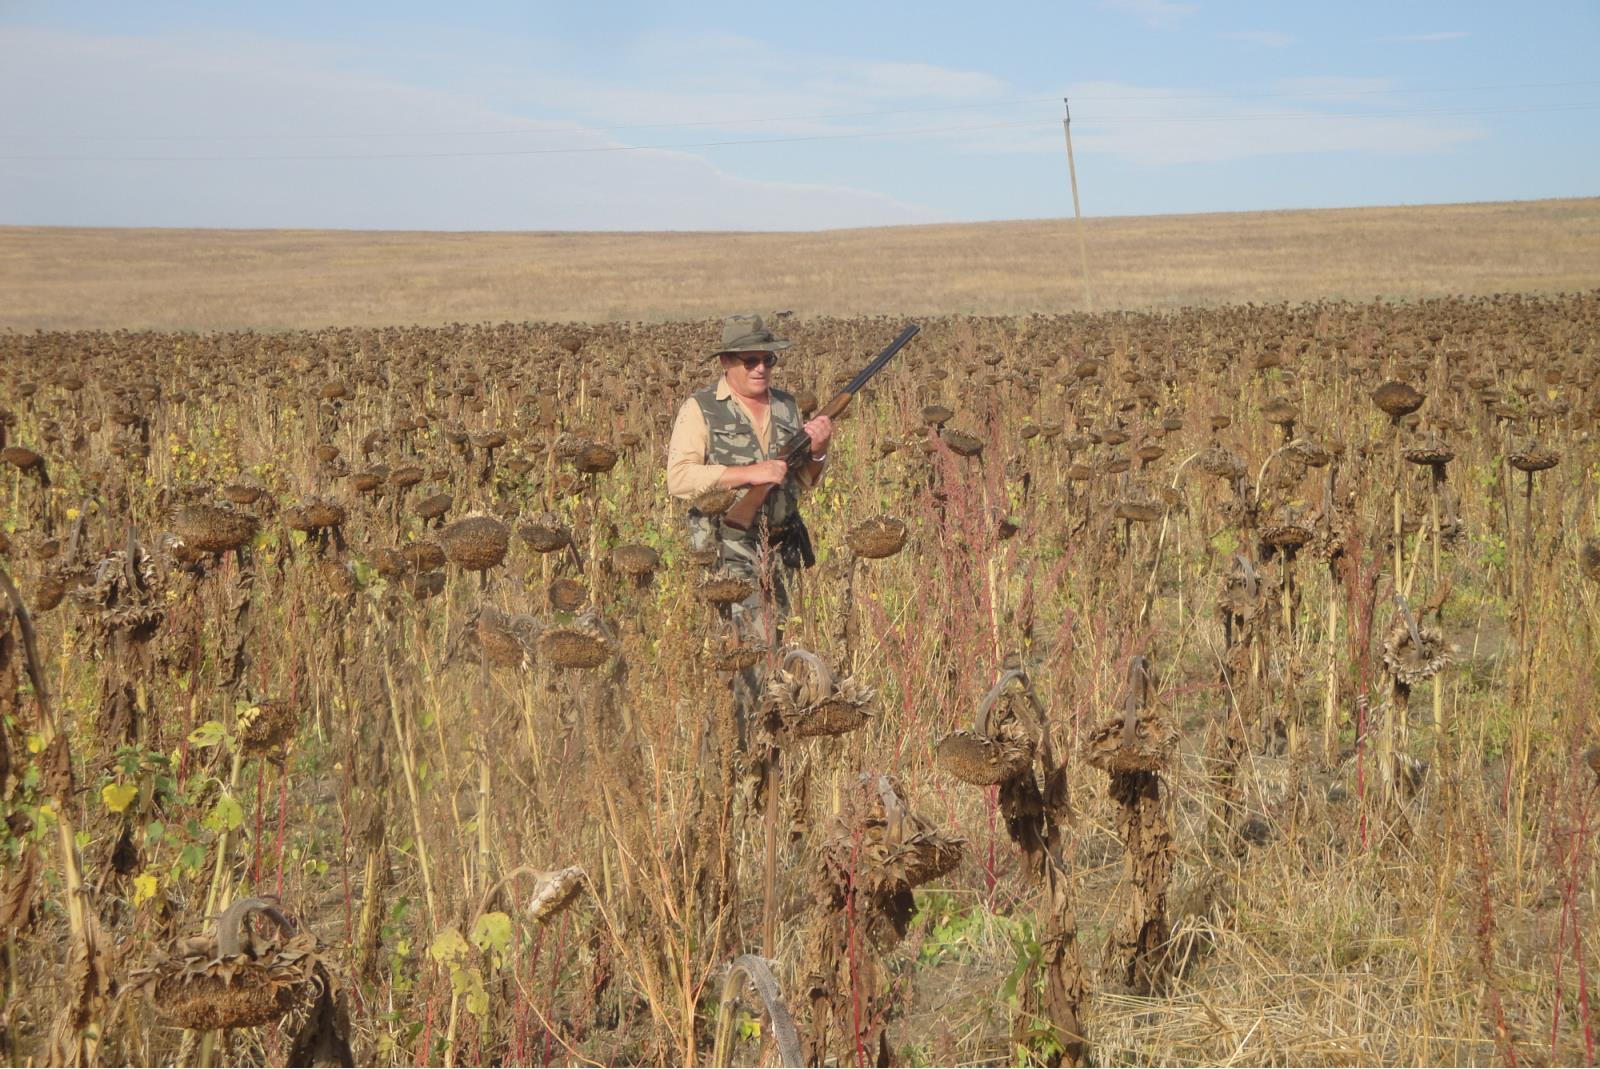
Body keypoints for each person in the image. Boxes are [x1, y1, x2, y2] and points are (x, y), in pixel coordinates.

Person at [667, 313, 833, 740]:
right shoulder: (700, 408)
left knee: (779, 645)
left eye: (768, 359)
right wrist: (749, 474)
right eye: (750, 360)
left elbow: (803, 480)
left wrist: (818, 450)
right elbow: (679, 478)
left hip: (780, 548)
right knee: (747, 651)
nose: (761, 368)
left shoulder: (786, 406)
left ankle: (770, 742)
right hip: (728, 549)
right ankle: (737, 744)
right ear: (726, 362)